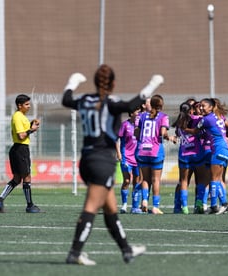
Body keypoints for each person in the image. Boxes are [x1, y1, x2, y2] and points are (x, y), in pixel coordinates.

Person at [62, 64, 163, 265]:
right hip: (102, 161)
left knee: (110, 209)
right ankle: (74, 252)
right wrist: (152, 85)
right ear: (113, 83)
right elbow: (131, 104)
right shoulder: (110, 103)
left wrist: (72, 83)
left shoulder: (85, 100)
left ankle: (126, 250)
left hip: (87, 160)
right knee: (91, 207)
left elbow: (66, 100)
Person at [0, 94, 41, 213]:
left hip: (18, 149)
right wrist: (32, 129)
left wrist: (31, 125)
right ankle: (30, 206)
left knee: (17, 178)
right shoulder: (18, 116)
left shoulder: (21, 116)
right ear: (19, 105)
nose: (29, 106)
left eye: (29, 104)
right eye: (27, 104)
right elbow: (21, 135)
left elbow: (23, 131)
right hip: (20, 149)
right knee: (27, 176)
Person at [186, 98, 228, 214]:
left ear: (211, 107)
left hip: (217, 149)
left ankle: (213, 205)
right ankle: (224, 204)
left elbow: (195, 131)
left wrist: (183, 129)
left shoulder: (206, 119)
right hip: (224, 149)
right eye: (199, 106)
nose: (201, 108)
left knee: (211, 180)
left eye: (203, 106)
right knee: (217, 179)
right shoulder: (217, 116)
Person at [135, 94, 175, 214]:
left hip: (142, 150)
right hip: (155, 151)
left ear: (150, 104)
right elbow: (163, 133)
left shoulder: (142, 116)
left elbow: (136, 133)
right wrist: (170, 137)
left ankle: (145, 201)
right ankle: (156, 206)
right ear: (161, 105)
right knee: (156, 180)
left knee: (145, 179)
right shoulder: (163, 116)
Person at [116, 106, 143, 214]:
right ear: (132, 114)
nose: (139, 114)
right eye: (137, 112)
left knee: (137, 181)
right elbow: (116, 139)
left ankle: (135, 206)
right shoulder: (125, 125)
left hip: (137, 157)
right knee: (127, 180)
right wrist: (118, 153)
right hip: (126, 157)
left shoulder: (140, 125)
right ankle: (124, 205)